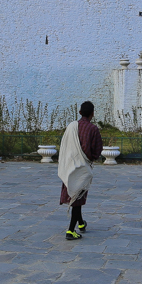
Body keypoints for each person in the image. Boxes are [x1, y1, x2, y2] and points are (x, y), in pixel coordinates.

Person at [57, 101, 103, 240]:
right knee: (77, 198)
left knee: (76, 196)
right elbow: (97, 150)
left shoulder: (71, 126)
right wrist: (90, 158)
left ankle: (81, 224)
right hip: (82, 167)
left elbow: (64, 144)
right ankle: (71, 231)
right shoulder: (93, 129)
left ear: (80, 112)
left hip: (70, 166)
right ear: (92, 113)